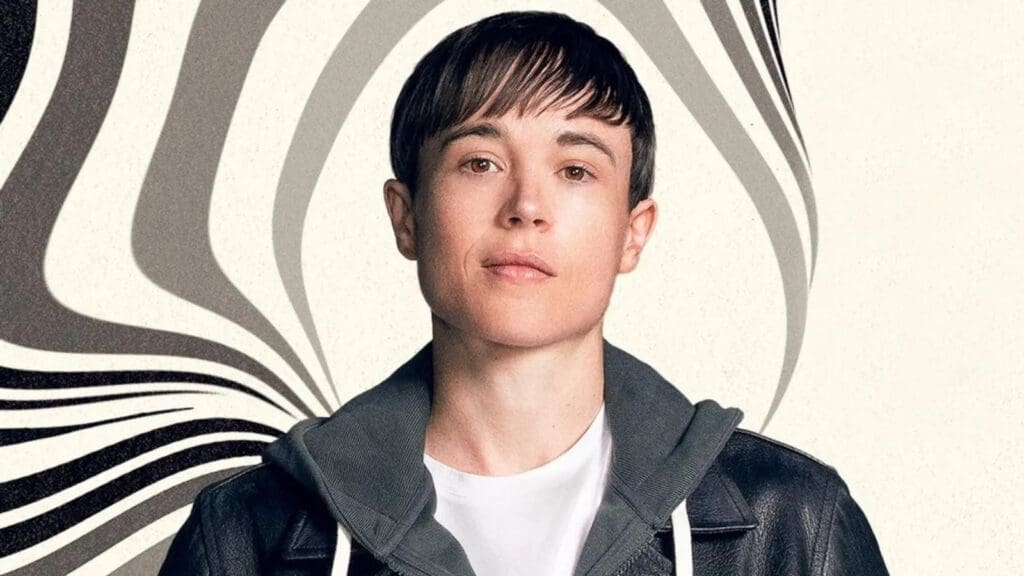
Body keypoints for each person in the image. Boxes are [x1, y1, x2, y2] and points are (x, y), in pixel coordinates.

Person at [160, 11, 888, 576]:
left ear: (633, 233)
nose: (526, 206)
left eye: (575, 170)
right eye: (480, 162)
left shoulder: (795, 523)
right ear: (406, 216)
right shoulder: (244, 534)